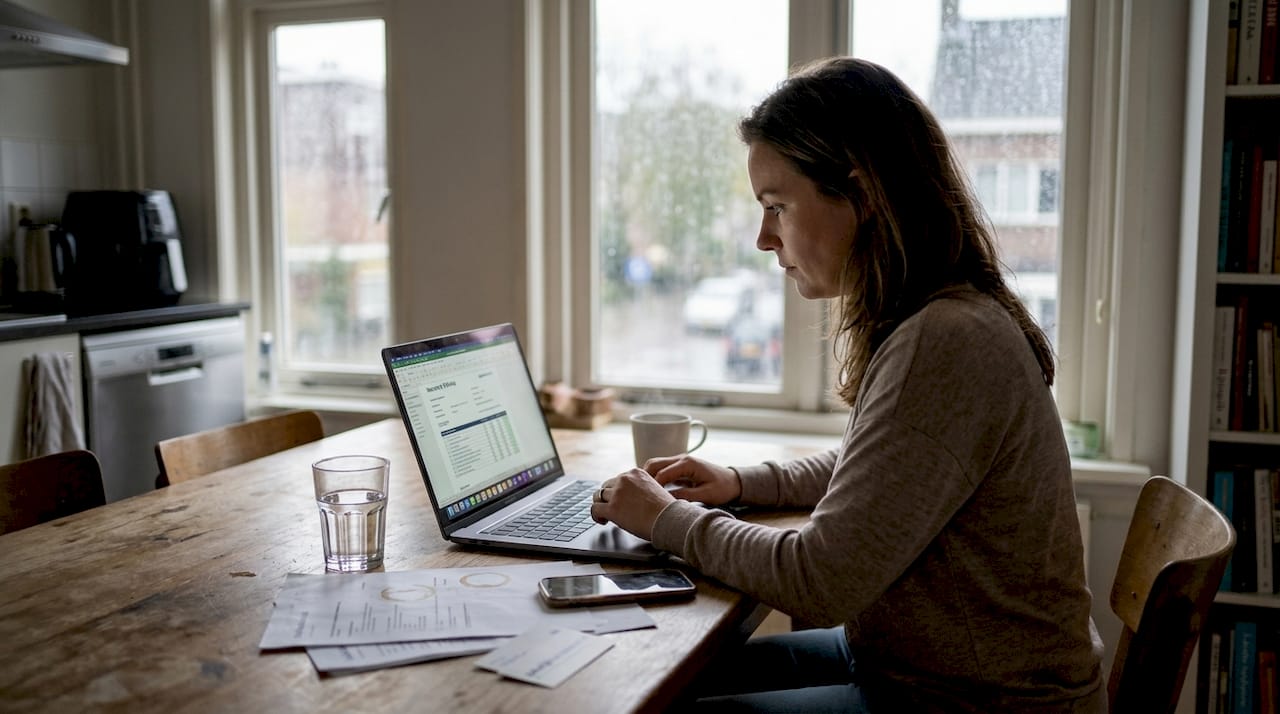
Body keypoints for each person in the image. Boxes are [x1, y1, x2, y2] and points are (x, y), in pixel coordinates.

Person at [588, 56, 1106, 713]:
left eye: (777, 205)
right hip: (915, 671)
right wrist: (746, 483)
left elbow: (819, 580)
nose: (762, 237)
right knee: (673, 683)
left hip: (982, 702)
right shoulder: (943, 315)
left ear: (862, 196)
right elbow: (882, 470)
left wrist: (666, 519)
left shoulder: (946, 339)